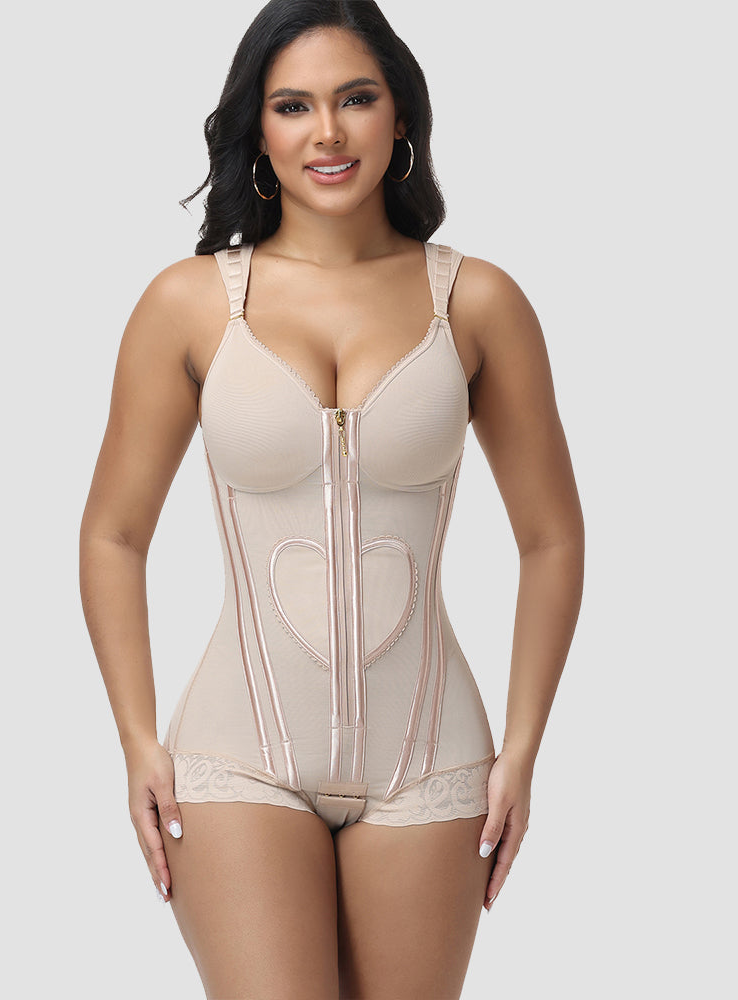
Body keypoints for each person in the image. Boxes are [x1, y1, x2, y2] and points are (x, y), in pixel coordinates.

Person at [79, 1, 584, 996]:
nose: (327, 132)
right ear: (258, 129)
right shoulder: (188, 304)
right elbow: (114, 533)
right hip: (237, 758)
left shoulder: (477, 301)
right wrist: (137, 739)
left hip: (431, 763)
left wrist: (523, 749)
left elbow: (550, 537)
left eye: (355, 98)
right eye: (292, 105)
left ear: (400, 116)